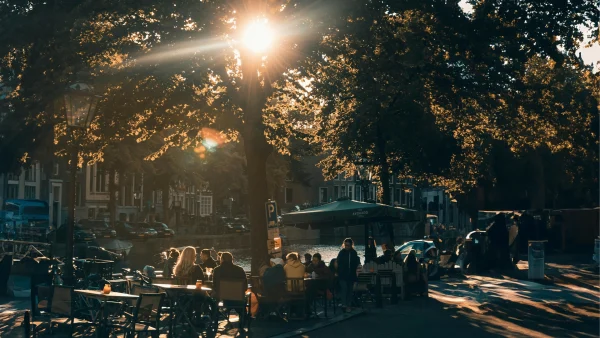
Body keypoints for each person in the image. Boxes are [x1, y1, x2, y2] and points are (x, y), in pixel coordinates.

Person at [337, 238, 360, 313]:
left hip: (351, 274)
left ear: (351, 245)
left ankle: (348, 304)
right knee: (344, 288)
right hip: (343, 274)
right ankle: (344, 304)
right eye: (346, 245)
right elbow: (339, 262)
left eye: (348, 245)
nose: (347, 247)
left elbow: (356, 262)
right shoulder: (342, 253)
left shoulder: (353, 253)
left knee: (349, 290)